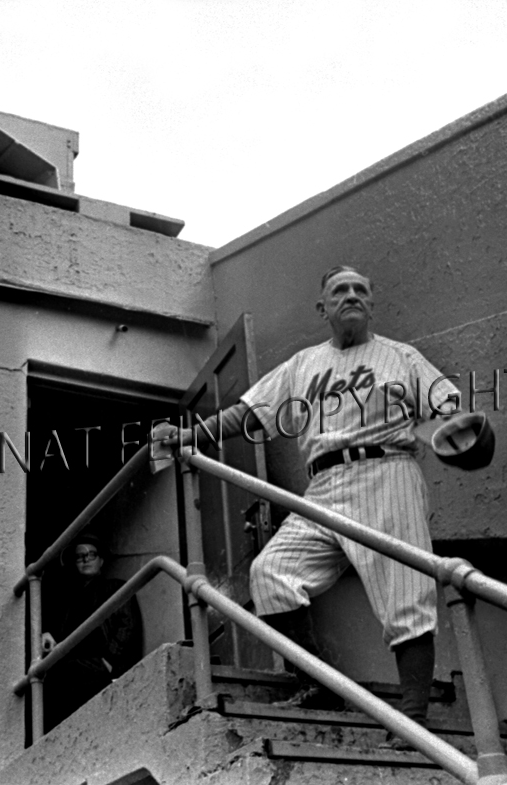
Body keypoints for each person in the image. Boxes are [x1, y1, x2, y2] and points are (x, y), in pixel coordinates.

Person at [156, 266, 468, 747]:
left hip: (387, 472)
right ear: (322, 308)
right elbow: (248, 413)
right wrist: (191, 436)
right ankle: (320, 689)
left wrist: (462, 434)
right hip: (323, 482)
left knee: (406, 594)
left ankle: (414, 719)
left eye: (361, 289)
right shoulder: (304, 365)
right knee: (271, 574)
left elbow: (446, 410)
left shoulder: (401, 358)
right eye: (340, 291)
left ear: (372, 303)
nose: (352, 296)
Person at [41, 534, 143, 732]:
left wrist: (108, 660)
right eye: (80, 556)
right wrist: (48, 634)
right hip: (71, 668)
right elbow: (58, 629)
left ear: (101, 560)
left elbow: (127, 624)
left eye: (91, 555)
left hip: (100, 666)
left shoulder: (114, 587)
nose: (86, 559)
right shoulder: (68, 598)